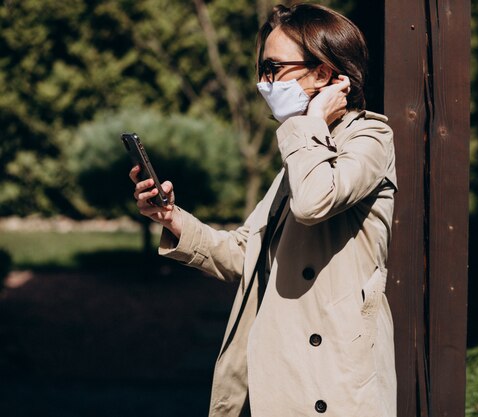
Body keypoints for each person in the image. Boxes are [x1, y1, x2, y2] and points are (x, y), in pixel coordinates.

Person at [130, 3, 397, 416]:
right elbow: (245, 254)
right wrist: (171, 218)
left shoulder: (369, 137)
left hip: (332, 383)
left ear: (323, 73)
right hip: (277, 377)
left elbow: (314, 202)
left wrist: (304, 122)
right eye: (262, 67)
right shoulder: (302, 151)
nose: (263, 81)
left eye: (273, 67)